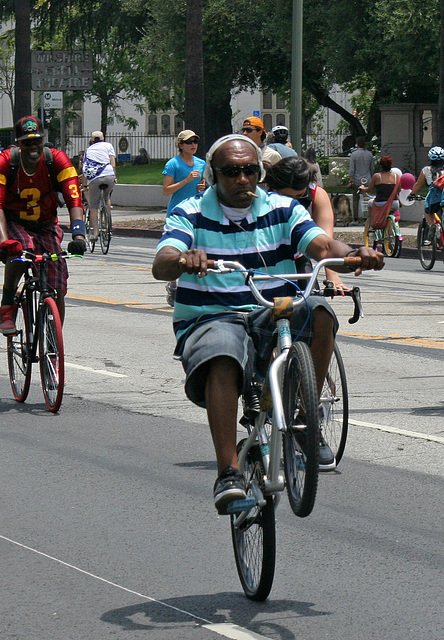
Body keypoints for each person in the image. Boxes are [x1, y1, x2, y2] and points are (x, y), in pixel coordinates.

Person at [152, 134, 384, 514]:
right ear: (213, 175)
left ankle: (304, 418)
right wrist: (182, 259)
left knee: (320, 311)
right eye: (231, 172)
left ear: (259, 172)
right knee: (222, 353)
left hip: (272, 305)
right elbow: (163, 260)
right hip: (213, 313)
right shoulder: (190, 211)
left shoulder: (283, 207)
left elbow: (322, 247)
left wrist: (355, 254)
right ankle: (228, 471)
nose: (242, 179)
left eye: (249, 171)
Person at [0, 115, 86, 334]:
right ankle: (7, 305)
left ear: (43, 140)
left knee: (56, 282)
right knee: (22, 249)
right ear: (18, 143)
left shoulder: (56, 160)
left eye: (36, 141)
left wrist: (78, 235)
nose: (32, 147)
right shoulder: (5, 162)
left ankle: (53, 341)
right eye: (26, 142)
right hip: (14, 221)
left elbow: (74, 198)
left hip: (46, 223)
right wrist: (4, 241)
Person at [266, 156, 348, 292]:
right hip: (269, 257)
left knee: (313, 304)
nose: (292, 204)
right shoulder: (263, 197)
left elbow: (326, 242)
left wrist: (332, 275)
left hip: (299, 257)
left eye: (299, 197)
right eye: (286, 197)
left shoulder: (318, 195)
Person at [82, 131, 116, 241]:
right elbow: (113, 164)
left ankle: (95, 233)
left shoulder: (88, 150)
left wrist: (84, 185)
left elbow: (85, 168)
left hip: (95, 179)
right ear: (103, 139)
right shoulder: (108, 146)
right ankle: (107, 224)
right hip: (109, 176)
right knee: (107, 198)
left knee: (94, 206)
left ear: (91, 141)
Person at [162, 130, 206, 214]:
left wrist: (203, 186)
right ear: (180, 145)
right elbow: (166, 191)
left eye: (195, 142)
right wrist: (186, 180)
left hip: (196, 211)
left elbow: (203, 182)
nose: (193, 145)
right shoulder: (173, 164)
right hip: (177, 211)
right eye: (189, 142)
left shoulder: (202, 163)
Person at [409, 146, 444, 235]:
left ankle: (432, 225)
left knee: (428, 211)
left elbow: (418, 184)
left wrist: (411, 194)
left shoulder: (426, 170)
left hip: (434, 198)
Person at [348, 136, 374, 221]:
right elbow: (371, 169)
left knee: (355, 199)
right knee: (366, 199)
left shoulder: (354, 154)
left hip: (357, 179)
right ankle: (366, 217)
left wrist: (351, 179)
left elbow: (352, 169)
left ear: (357, 143)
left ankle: (355, 217)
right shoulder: (369, 154)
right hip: (367, 179)